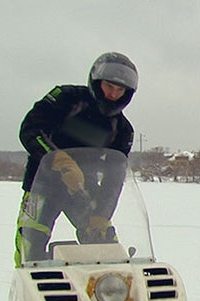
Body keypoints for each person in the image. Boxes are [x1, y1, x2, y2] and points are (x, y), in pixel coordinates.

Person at [15, 52, 138, 266]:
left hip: (82, 190)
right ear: (96, 82)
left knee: (107, 249)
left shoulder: (123, 129)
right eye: (109, 87)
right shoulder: (65, 98)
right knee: (30, 246)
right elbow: (31, 129)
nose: (113, 94)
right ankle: (28, 292)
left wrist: (102, 212)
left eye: (120, 90)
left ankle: (108, 294)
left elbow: (114, 177)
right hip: (41, 186)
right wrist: (59, 160)